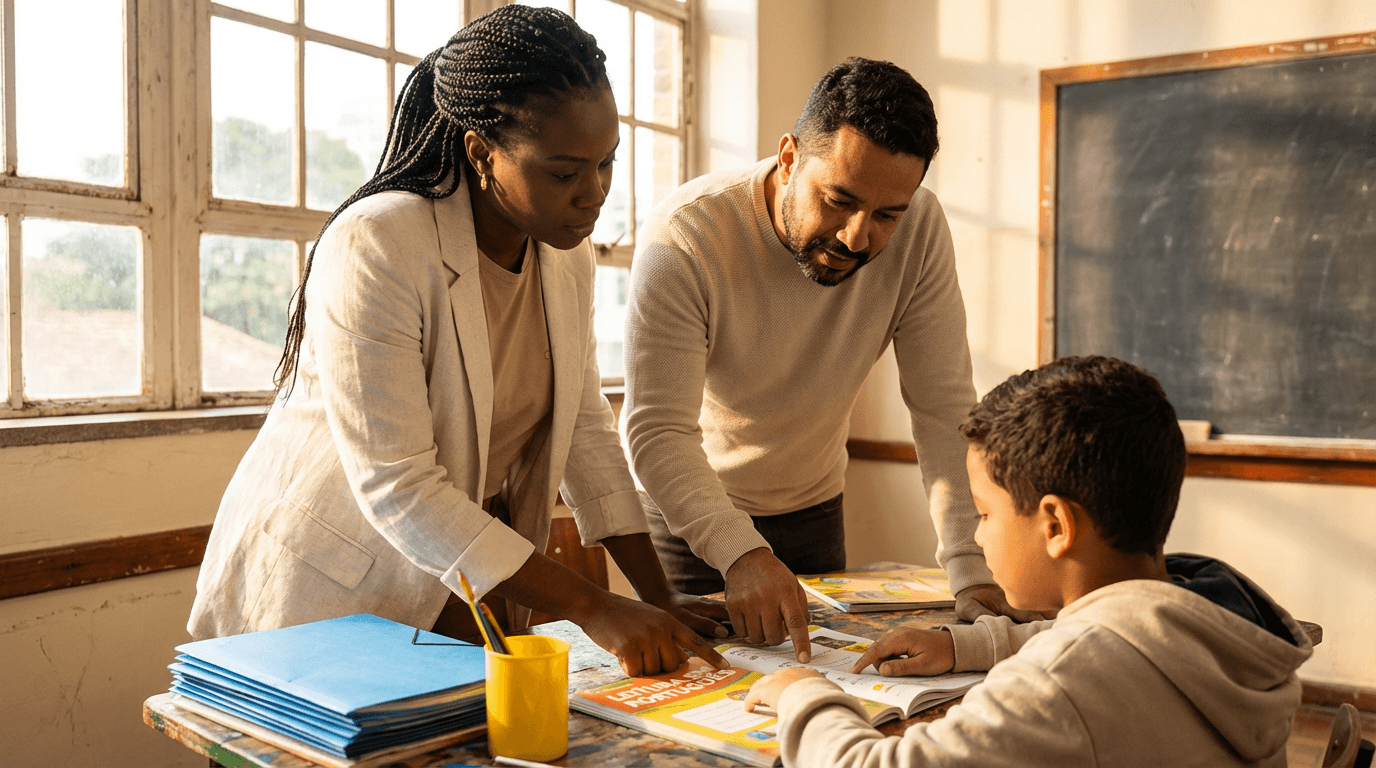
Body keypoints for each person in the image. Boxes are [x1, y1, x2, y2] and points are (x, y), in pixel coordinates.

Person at [188, 5, 728, 677]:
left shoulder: (565, 256)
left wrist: (660, 595)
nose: (593, 195)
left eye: (606, 165)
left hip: (450, 588)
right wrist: (595, 607)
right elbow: (400, 486)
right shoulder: (378, 242)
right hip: (318, 595)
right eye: (564, 173)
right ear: (481, 152)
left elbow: (585, 429)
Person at [622, 57, 1032, 660]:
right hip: (693, 515)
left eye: (888, 214)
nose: (857, 236)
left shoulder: (920, 231)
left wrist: (971, 569)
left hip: (815, 505)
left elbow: (943, 407)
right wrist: (740, 551)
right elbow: (656, 430)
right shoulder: (686, 236)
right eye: (838, 200)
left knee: (822, 690)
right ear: (788, 158)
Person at [743, 356, 1314, 768]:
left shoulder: (1064, 682)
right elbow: (1125, 633)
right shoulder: (1213, 605)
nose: (977, 535)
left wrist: (804, 693)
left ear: (1056, 526)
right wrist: (968, 645)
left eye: (986, 515)